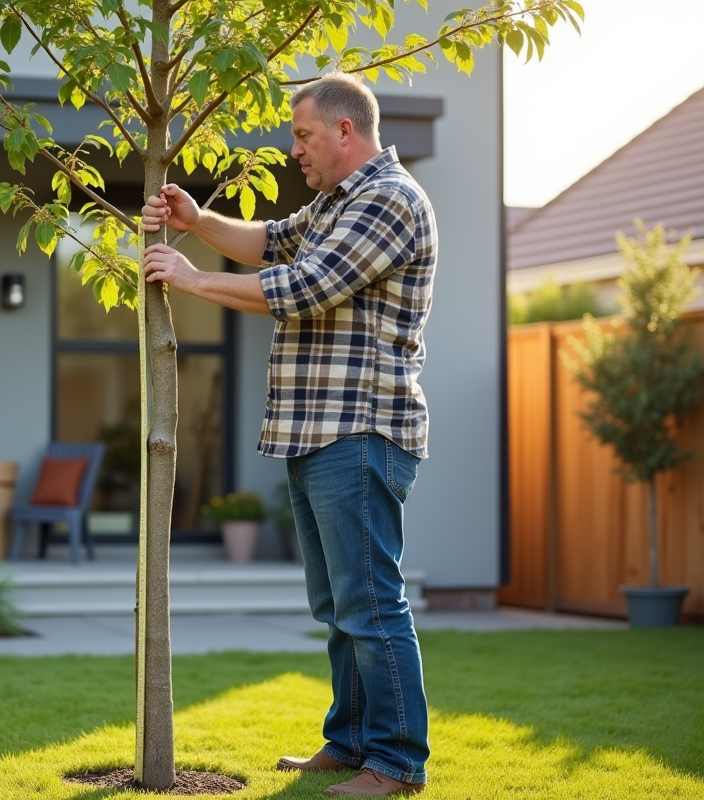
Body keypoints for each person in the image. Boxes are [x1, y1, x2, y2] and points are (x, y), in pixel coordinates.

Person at [140, 73, 435, 797]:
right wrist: (197, 219)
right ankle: (350, 741)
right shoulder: (337, 202)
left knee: (370, 603)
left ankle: (396, 763)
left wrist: (193, 279)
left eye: (302, 135)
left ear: (344, 131)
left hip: (360, 427)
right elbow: (269, 243)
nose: (292, 149)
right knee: (337, 606)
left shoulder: (391, 200)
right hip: (316, 432)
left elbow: (306, 286)